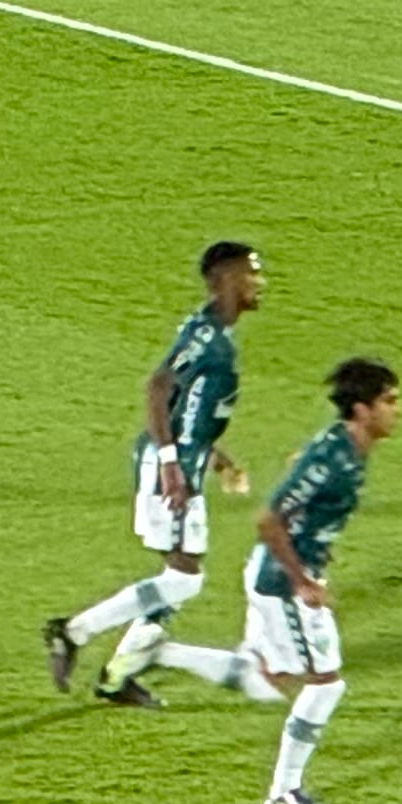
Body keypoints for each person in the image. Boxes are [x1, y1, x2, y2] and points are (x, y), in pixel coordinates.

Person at [45, 239, 258, 704]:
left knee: (177, 581)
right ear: (224, 279)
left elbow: (188, 410)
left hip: (186, 464)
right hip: (170, 469)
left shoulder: (216, 337)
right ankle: (74, 632)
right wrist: (170, 464)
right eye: (250, 272)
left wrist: (217, 457)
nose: (258, 282)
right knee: (183, 578)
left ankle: (118, 675)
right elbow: (158, 387)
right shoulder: (204, 337)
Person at [240, 357, 401, 804]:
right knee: (325, 683)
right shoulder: (333, 458)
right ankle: (285, 792)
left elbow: (301, 477)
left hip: (288, 574)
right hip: (283, 582)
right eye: (389, 401)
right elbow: (268, 519)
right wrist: (302, 580)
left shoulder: (346, 448)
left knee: (273, 672)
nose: (398, 410)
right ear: (362, 409)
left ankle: (158, 652)